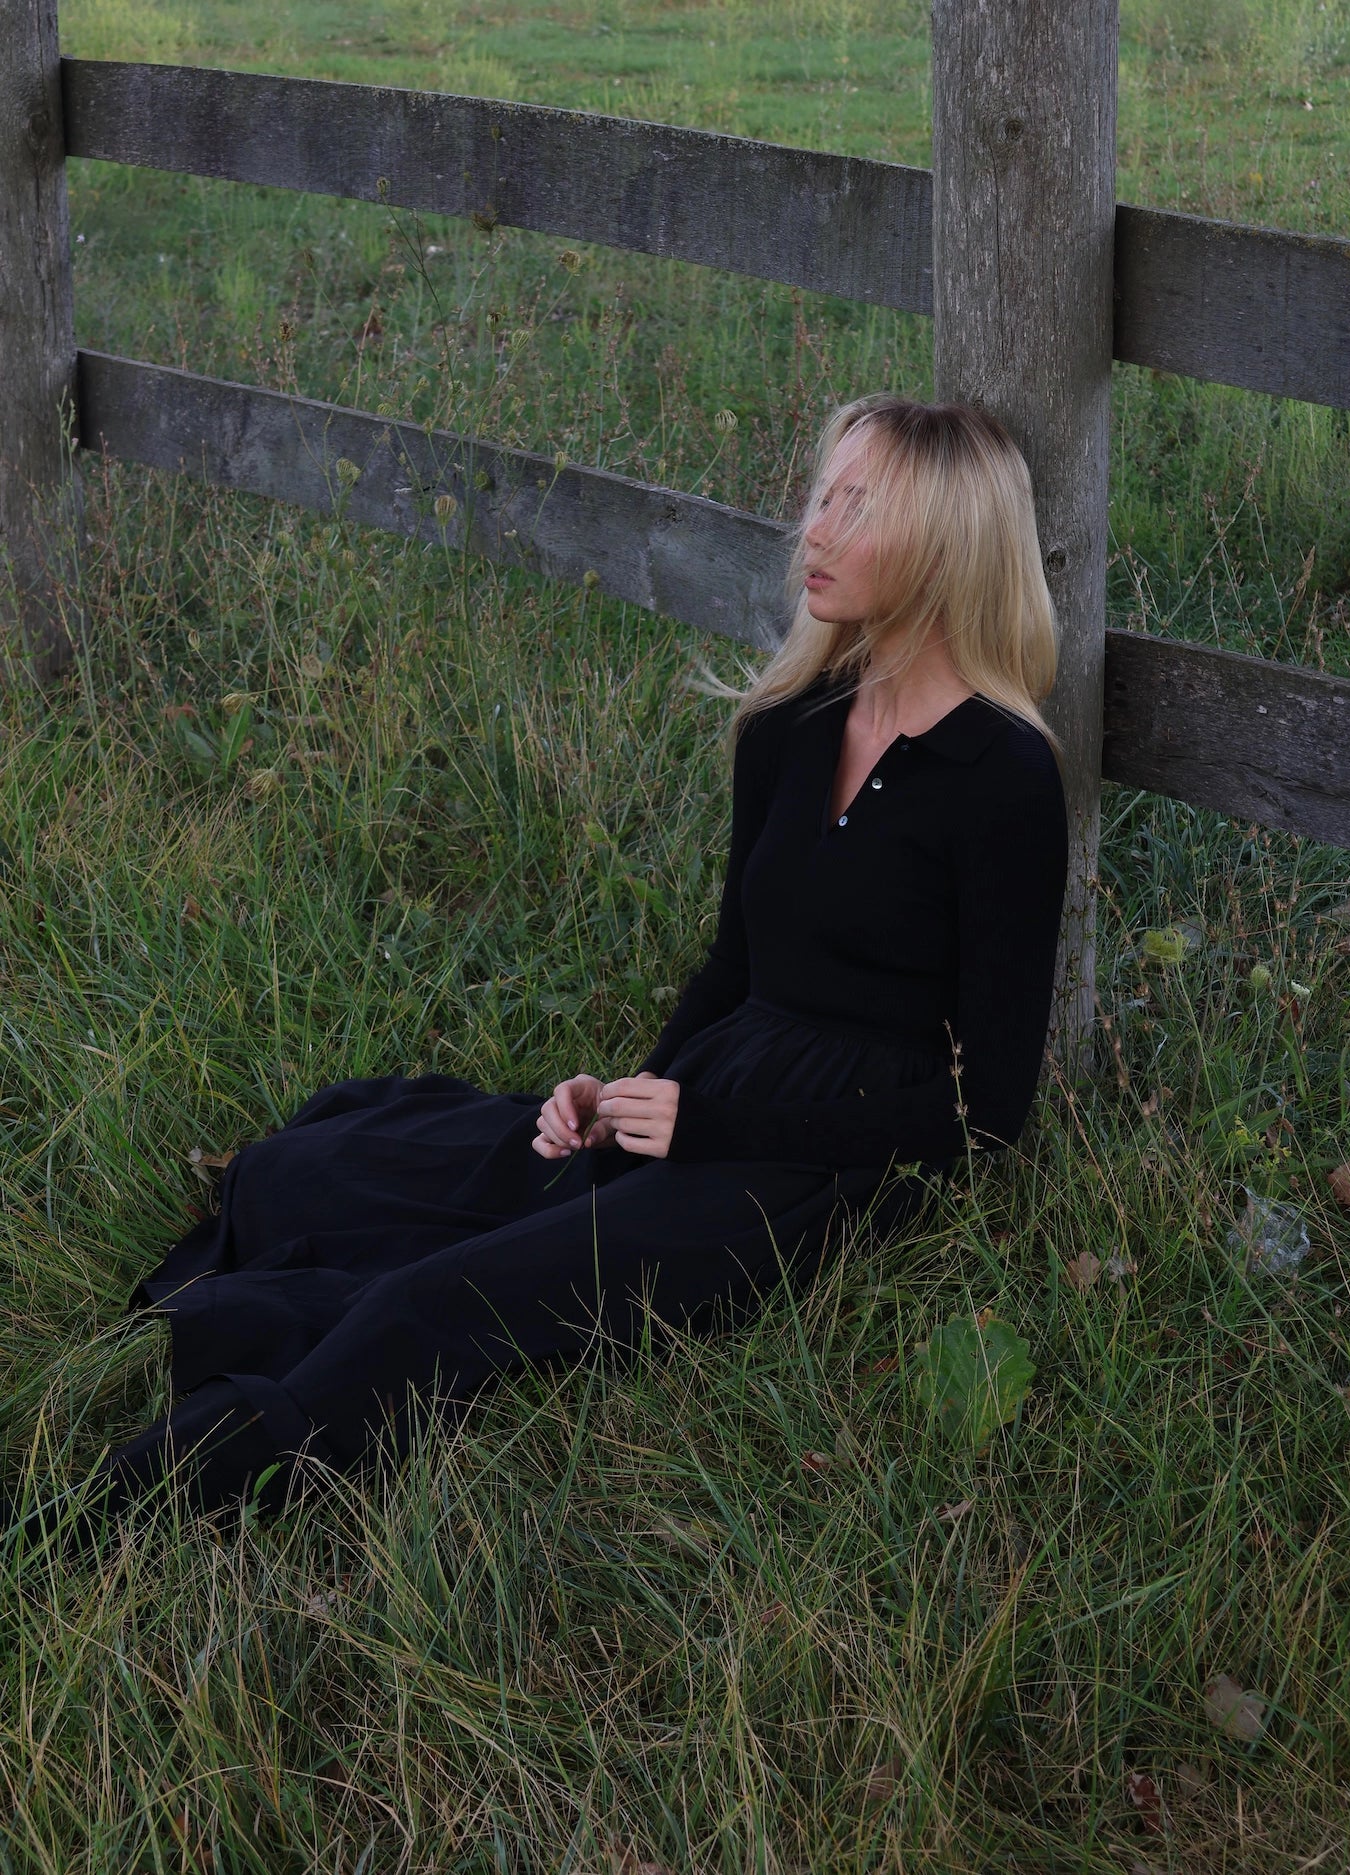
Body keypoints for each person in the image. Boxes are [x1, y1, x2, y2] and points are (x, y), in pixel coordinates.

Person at [5, 394, 1069, 1545]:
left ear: (946, 544)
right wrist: (623, 1100)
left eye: (857, 509)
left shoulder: (1000, 779)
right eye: (822, 495)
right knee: (326, 1174)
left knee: (441, 1298)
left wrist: (707, 1126)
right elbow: (731, 969)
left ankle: (119, 1508)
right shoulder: (794, 725)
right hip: (705, 1093)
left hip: (821, 1165)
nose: (813, 530)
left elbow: (988, 1113)